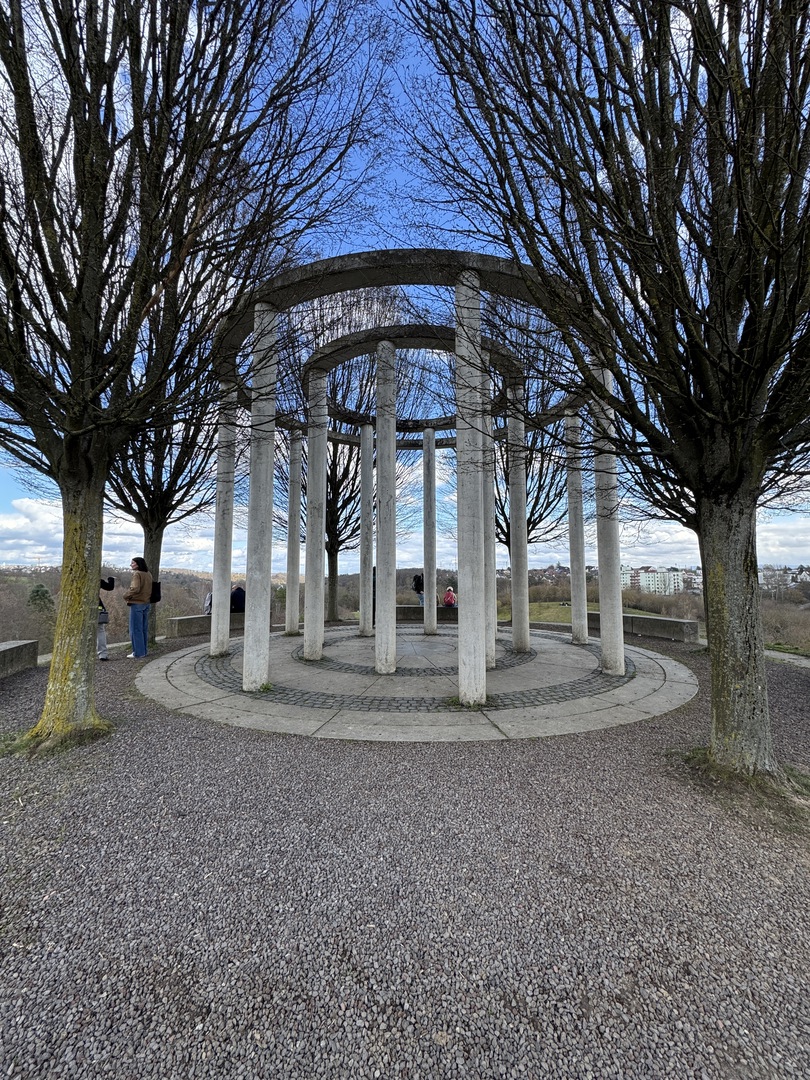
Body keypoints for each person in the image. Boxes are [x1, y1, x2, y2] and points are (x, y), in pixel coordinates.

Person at [123, 557, 153, 658]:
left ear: (138, 564)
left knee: (135, 629)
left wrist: (126, 595)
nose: (131, 565)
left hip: (137, 603)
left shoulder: (137, 574)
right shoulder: (148, 574)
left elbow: (135, 588)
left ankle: (138, 653)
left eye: (133, 563)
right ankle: (143, 650)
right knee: (143, 628)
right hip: (146, 603)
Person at [97, 576, 115, 660]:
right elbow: (109, 587)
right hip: (97, 607)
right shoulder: (95, 579)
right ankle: (102, 654)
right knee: (100, 630)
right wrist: (111, 579)